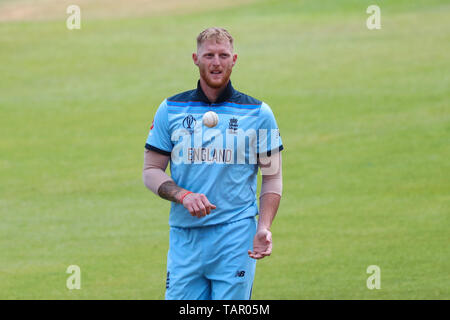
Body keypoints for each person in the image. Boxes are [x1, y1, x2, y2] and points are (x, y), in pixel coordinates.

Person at [143, 27, 283, 300]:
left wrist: (264, 226)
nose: (216, 62)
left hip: (236, 237)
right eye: (209, 55)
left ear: (234, 59)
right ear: (196, 59)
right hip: (185, 238)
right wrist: (183, 195)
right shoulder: (170, 109)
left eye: (223, 55)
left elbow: (272, 177)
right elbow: (150, 171)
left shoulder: (259, 114)